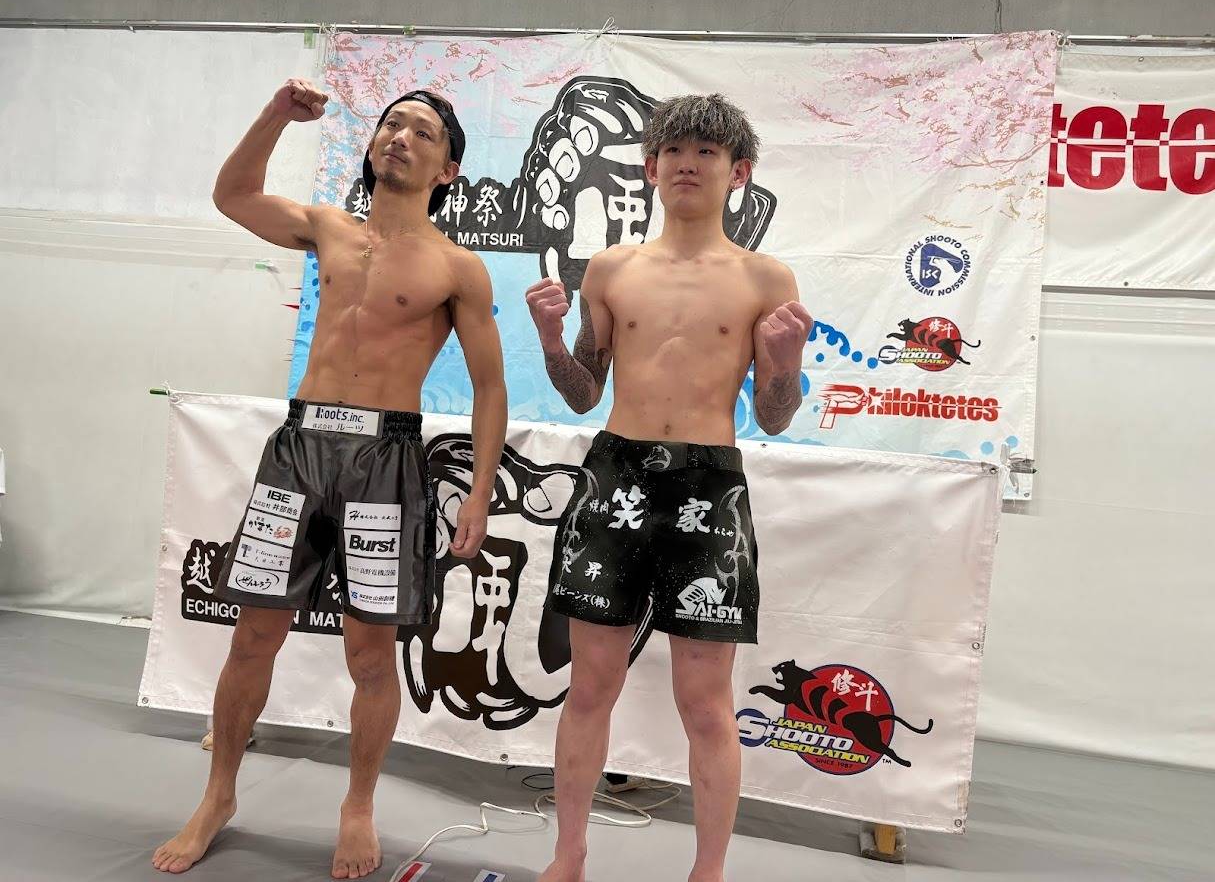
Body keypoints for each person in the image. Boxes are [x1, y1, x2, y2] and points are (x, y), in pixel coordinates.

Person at [153, 79, 507, 879]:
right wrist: (275, 114)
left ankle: (357, 806)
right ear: (373, 144)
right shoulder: (327, 228)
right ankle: (218, 794)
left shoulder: (457, 267)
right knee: (253, 634)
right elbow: (233, 196)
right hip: (300, 448)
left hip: (385, 460)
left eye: (422, 132)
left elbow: (490, 388)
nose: (401, 137)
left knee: (371, 653)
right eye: (392, 124)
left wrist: (479, 494)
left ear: (448, 168)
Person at [525, 93, 813, 882]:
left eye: (707, 152)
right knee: (590, 684)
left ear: (737, 172)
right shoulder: (611, 268)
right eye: (674, 150)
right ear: (650, 167)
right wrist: (550, 339)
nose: (689, 163)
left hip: (708, 485)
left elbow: (774, 416)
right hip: (614, 474)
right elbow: (583, 393)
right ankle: (568, 853)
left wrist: (786, 363)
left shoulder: (764, 276)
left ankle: (707, 871)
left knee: (704, 699)